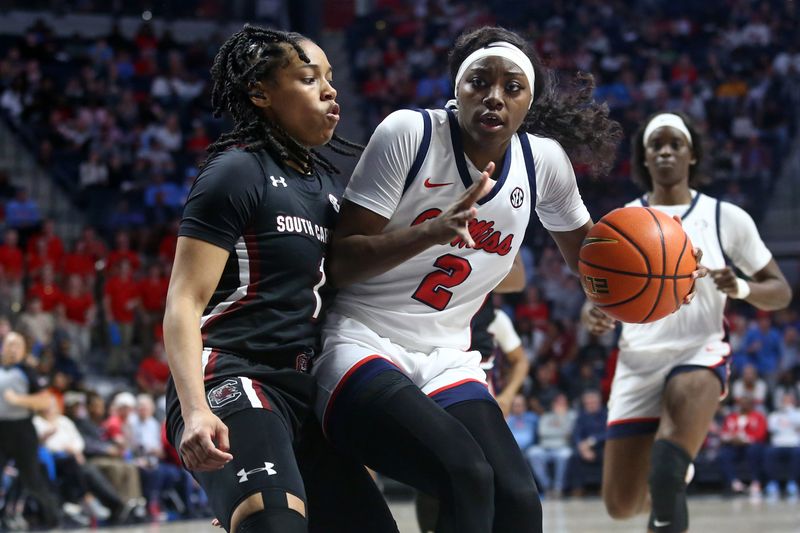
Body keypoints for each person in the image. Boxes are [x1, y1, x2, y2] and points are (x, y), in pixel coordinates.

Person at [312, 26, 621, 533]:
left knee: (519, 501)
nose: (494, 96)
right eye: (479, 82)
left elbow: (593, 261)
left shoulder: (543, 162)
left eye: (512, 87)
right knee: (466, 473)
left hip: (449, 355)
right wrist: (430, 232)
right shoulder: (408, 134)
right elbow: (340, 262)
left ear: (529, 103)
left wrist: (656, 277)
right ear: (457, 89)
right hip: (361, 339)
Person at [162, 26, 396, 533]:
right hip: (232, 376)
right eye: (310, 79)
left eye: (331, 79)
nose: (330, 91)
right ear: (260, 93)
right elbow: (183, 302)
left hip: (305, 390)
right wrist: (195, 410)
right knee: (273, 524)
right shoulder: (236, 172)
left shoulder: (334, 192)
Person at [582, 111, 793, 532]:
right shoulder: (624, 220)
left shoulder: (724, 218)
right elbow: (597, 295)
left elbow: (781, 290)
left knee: (665, 468)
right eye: (655, 145)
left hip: (699, 351)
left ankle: (674, 467)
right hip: (637, 359)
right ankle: (675, 472)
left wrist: (744, 289)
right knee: (622, 505)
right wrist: (594, 313)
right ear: (644, 157)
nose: (664, 152)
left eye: (673, 144)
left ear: (692, 153)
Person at [0, 331, 60, 528]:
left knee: (31, 480)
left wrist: (19, 400)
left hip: (22, 430)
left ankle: (53, 518)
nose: (13, 348)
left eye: (17, 345)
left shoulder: (27, 371)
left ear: (24, 350)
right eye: (9, 344)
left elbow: (45, 400)